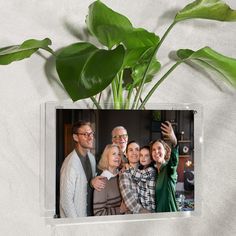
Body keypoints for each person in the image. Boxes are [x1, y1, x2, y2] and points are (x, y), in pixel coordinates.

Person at [60, 121, 106, 218]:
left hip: (90, 216)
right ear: (76, 137)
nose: (90, 137)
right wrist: (77, 225)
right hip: (76, 221)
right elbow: (66, 201)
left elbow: (88, 185)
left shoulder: (91, 158)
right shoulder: (70, 164)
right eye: (85, 134)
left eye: (91, 133)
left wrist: (92, 182)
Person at [150, 121, 179, 212]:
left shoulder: (168, 168)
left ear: (165, 151)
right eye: (153, 150)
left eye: (159, 148)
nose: (156, 152)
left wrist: (174, 143)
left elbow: (173, 162)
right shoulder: (153, 171)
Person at [93, 144, 127, 216]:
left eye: (119, 154)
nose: (117, 157)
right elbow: (98, 213)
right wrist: (120, 210)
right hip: (111, 225)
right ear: (106, 157)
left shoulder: (120, 176)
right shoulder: (101, 181)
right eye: (114, 154)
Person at [119, 141, 150, 214]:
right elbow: (130, 202)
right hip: (133, 217)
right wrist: (147, 213)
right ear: (126, 154)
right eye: (130, 150)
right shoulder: (124, 174)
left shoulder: (146, 172)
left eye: (137, 149)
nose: (134, 152)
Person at [128, 146, 156, 212]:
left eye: (146, 155)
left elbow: (139, 176)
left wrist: (127, 166)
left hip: (150, 209)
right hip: (143, 207)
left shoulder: (151, 170)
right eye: (141, 155)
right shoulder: (141, 169)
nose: (143, 158)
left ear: (151, 158)